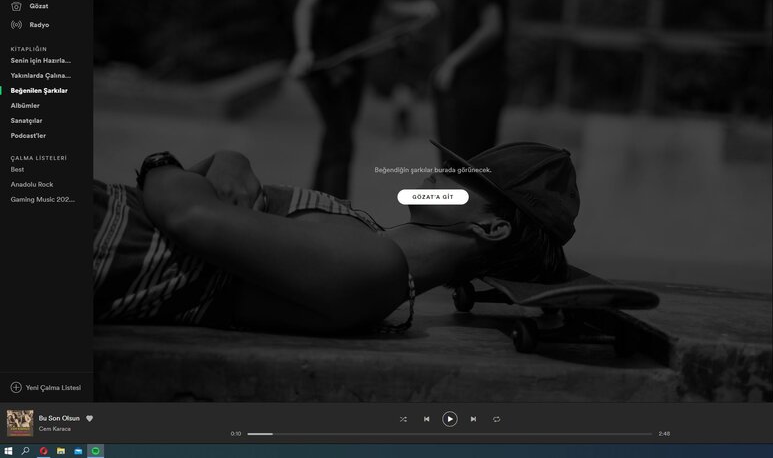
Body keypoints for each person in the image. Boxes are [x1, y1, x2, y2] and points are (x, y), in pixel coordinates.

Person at [93, 141, 579, 335]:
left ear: (492, 227)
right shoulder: (366, 243)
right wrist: (229, 162)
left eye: (462, 177)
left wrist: (161, 165)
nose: (439, 173)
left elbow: (188, 214)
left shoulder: (376, 268)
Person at [289, 0, 437, 199]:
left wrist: (417, 8)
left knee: (337, 133)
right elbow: (306, 6)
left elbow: (385, 6)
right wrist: (303, 49)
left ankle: (315, 198)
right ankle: (336, 206)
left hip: (356, 60)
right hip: (326, 60)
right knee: (341, 138)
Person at [433, 0, 508, 159]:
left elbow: (492, 27)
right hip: (478, 85)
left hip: (474, 87)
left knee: (461, 168)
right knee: (468, 168)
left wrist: (451, 62)